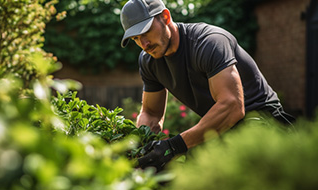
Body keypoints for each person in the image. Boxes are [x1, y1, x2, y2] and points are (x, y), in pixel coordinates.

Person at [119, 0, 295, 172]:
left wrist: (174, 146)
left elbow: (232, 105)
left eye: (146, 32)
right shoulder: (149, 61)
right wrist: (141, 151)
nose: (144, 44)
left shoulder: (208, 42)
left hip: (261, 123)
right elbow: (151, 113)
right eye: (136, 38)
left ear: (165, 17)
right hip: (222, 131)